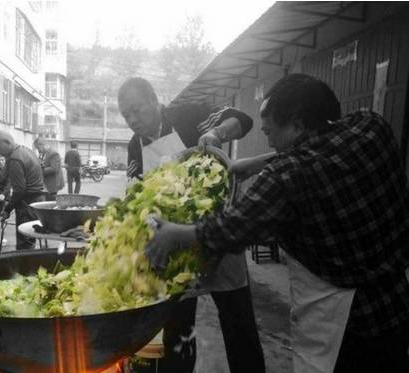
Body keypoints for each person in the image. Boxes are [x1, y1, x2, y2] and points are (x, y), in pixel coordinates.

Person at [145, 74, 409, 373]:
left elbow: (233, 228)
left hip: (343, 326)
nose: (268, 139)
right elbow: (325, 147)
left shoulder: (285, 177)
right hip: (395, 308)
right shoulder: (372, 127)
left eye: (270, 132)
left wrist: (175, 234)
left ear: (297, 124)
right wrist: (260, 161)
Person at [118, 77, 265, 373]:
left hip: (220, 233)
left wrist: (216, 132)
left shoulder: (189, 115)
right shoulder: (135, 147)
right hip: (179, 247)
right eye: (126, 115)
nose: (133, 120)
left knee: (238, 324)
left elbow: (241, 119)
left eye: (137, 110)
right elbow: (137, 193)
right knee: (179, 329)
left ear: (155, 101)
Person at [0, 131, 45, 250]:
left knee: (24, 244)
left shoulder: (15, 159)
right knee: (30, 239)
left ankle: (24, 267)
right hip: (38, 202)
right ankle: (30, 265)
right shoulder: (26, 150)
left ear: (7, 142)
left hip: (27, 205)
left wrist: (8, 209)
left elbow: (19, 190)